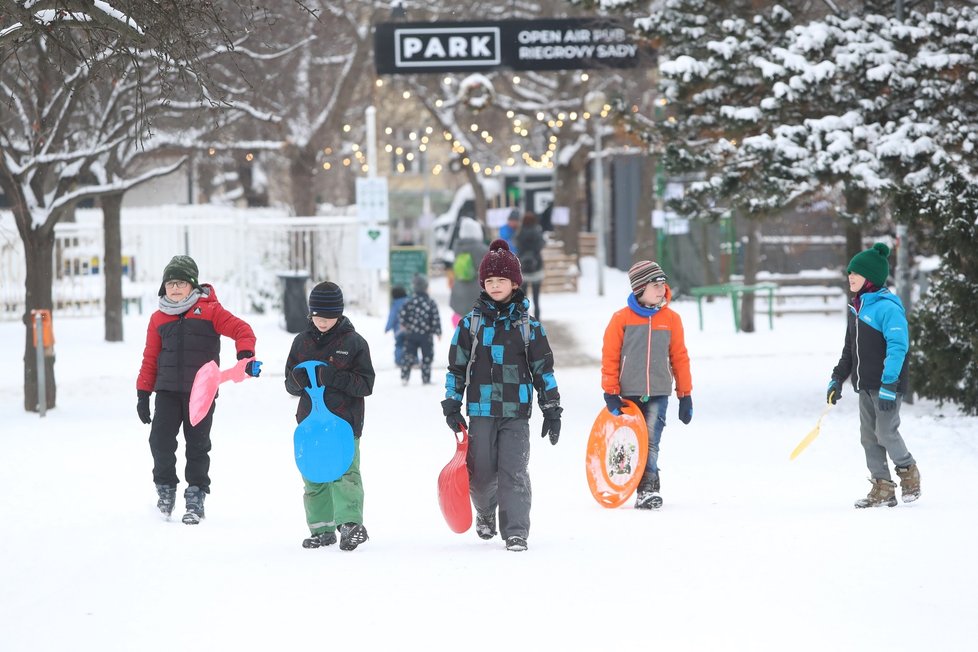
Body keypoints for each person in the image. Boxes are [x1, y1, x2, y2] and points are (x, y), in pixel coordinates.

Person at [441, 239, 562, 552]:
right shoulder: (471, 325)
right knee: (480, 475)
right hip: (480, 410)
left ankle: (516, 530)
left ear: (514, 283)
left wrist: (551, 408)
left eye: (501, 280)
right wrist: (452, 403)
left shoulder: (529, 328)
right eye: (490, 281)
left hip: (516, 412)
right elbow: (455, 368)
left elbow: (543, 371)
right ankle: (484, 510)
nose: (495, 286)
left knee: (514, 472)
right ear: (483, 284)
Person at [136, 255, 260, 524]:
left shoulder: (210, 311)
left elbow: (242, 329)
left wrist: (246, 354)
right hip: (167, 392)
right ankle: (165, 489)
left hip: (200, 394)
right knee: (160, 441)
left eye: (181, 283)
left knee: (197, 444)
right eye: (170, 284)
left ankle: (196, 495)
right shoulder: (159, 319)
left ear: (193, 285)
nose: (175, 288)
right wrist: (143, 393)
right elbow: (150, 357)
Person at [827, 243, 920, 508]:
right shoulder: (856, 308)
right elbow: (849, 349)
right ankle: (882, 487)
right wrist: (837, 378)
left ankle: (909, 473)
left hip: (886, 385)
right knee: (869, 437)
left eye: (856, 273)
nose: (850, 277)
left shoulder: (887, 308)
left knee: (886, 433)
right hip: (865, 385)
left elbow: (898, 347)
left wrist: (890, 382)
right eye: (849, 273)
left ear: (871, 277)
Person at [285, 281, 375, 550]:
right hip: (311, 423)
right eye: (318, 316)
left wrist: (333, 377)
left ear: (339, 313)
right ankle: (321, 528)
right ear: (310, 313)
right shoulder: (301, 342)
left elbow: (365, 384)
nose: (323, 321)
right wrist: (297, 380)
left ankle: (350, 525)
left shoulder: (354, 343)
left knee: (345, 472)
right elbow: (289, 383)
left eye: (329, 316)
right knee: (313, 474)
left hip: (344, 423)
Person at [600, 260, 693, 510]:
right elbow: (610, 357)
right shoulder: (621, 320)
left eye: (663, 284)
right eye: (655, 285)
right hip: (627, 393)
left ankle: (648, 489)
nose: (661, 289)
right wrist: (610, 391)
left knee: (651, 441)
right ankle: (624, 482)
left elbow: (679, 357)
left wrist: (685, 394)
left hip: (659, 393)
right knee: (630, 442)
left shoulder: (671, 319)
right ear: (640, 289)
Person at [398, 274, 442, 385]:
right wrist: (438, 332)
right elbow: (435, 318)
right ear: (426, 288)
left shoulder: (409, 301)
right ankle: (426, 378)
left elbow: (402, 314)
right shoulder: (430, 302)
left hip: (411, 334)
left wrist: (404, 324)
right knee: (427, 356)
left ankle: (404, 377)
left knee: (408, 355)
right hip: (426, 335)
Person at [448, 217, 489, 327]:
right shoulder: (482, 249)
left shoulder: (457, 248)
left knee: (461, 318)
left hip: (459, 289)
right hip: (476, 291)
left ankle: (462, 339)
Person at [515, 211, 546, 318]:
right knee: (536, 298)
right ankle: (537, 320)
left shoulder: (520, 232)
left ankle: (524, 319)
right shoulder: (537, 231)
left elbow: (517, 247)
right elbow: (542, 244)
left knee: (523, 298)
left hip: (523, 268)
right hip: (536, 267)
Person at [384, 285, 409, 366]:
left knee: (399, 345)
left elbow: (392, 317)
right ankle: (414, 360)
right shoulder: (409, 302)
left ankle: (399, 361)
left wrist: (387, 328)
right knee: (411, 346)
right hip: (409, 329)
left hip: (398, 331)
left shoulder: (395, 304)